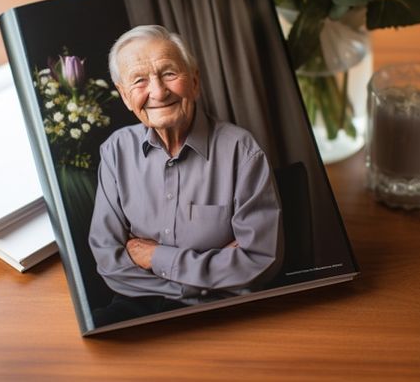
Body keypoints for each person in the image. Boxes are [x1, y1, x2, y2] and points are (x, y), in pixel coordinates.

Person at [88, 25, 283, 325]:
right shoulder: (116, 151)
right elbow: (108, 260)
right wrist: (213, 271)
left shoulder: (242, 151)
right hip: (139, 305)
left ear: (194, 81)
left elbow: (259, 262)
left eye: (168, 73)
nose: (158, 91)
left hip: (223, 311)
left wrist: (154, 258)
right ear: (126, 97)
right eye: (139, 80)